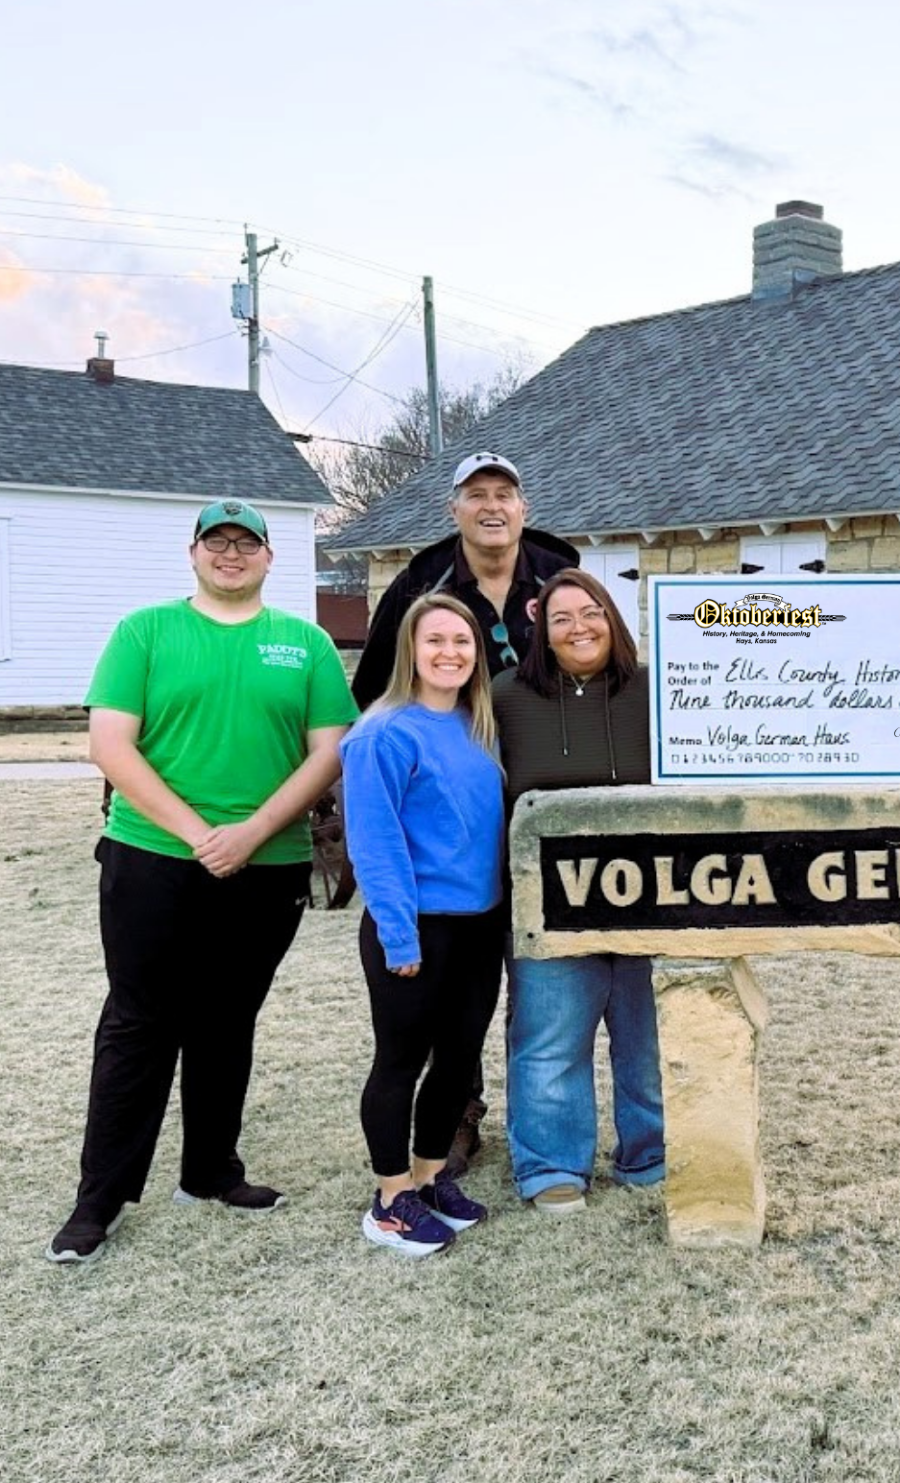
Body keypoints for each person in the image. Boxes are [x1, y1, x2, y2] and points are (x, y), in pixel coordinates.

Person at [47, 500, 357, 1265]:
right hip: (152, 855)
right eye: (216, 542)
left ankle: (211, 1171)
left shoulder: (305, 644)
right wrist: (198, 836)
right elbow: (110, 744)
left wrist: (251, 833)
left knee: (228, 1016)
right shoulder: (145, 632)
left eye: (244, 542)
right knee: (139, 1022)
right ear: (192, 553)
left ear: (268, 557)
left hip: (270, 861)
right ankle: (100, 1200)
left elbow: (329, 752)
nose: (230, 553)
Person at [352, 450, 578, 1171]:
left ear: (523, 507)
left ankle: (540, 1117)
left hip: (538, 796)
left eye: (504, 493)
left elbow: (596, 657)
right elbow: (374, 690)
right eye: (475, 494)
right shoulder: (422, 586)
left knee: (525, 976)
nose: (491, 506)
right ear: (453, 510)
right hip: (447, 798)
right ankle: (454, 1116)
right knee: (434, 1006)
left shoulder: (559, 577)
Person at [341, 594, 508, 1256]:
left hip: (478, 925)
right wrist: (399, 934)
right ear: (412, 649)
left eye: (462, 641)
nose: (450, 652)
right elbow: (375, 843)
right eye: (435, 640)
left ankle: (432, 1174)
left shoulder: (478, 725)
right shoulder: (382, 734)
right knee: (401, 1060)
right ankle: (390, 1197)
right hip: (414, 926)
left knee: (460, 1058)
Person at [492, 570, 663, 1212]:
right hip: (548, 905)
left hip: (653, 897)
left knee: (646, 1036)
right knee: (550, 1038)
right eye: (561, 618)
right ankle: (551, 1166)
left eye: (590, 612)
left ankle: (651, 1153)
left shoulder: (655, 690)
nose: (578, 628)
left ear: (611, 617)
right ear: (541, 628)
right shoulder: (506, 696)